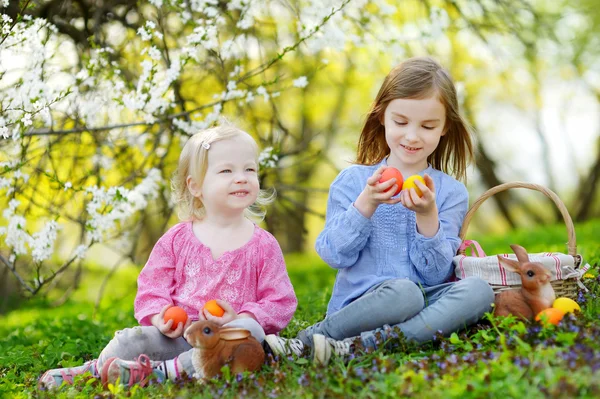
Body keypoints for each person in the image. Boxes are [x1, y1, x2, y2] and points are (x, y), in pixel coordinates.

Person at [264, 56, 494, 365]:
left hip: (424, 303)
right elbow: (334, 254)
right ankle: (311, 338)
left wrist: (428, 216)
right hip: (363, 306)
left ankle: (358, 347)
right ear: (382, 116)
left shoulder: (451, 192)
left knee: (479, 291)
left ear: (444, 128)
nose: (412, 136)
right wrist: (366, 204)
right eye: (401, 122)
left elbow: (437, 274)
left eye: (427, 126)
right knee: (404, 294)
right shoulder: (354, 182)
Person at [38, 124, 297, 389]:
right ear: (196, 186)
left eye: (249, 169)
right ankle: (93, 370)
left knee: (249, 332)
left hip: (226, 342)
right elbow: (152, 285)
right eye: (226, 170)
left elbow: (281, 300)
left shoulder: (263, 245)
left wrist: (243, 317)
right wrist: (160, 317)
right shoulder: (176, 239)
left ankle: (161, 373)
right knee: (132, 339)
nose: (241, 177)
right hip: (180, 336)